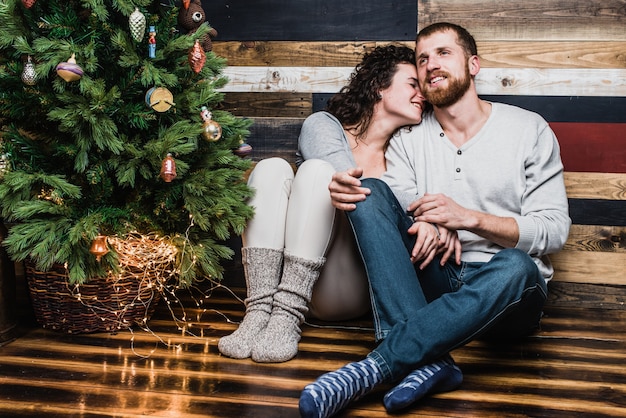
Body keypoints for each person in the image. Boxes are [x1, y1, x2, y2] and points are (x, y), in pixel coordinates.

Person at [299, 22, 571, 417]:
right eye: (423, 58)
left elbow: (554, 230)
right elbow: (403, 201)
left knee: (517, 265)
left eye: (444, 53)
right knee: (371, 192)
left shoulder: (528, 129)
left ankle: (378, 365)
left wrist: (468, 219)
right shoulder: (408, 138)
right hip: (439, 274)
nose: (431, 65)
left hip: (507, 293)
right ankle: (428, 362)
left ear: (473, 64)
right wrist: (426, 220)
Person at [218, 45, 444, 363]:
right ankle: (259, 311)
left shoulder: (408, 153)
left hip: (345, 288)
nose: (422, 94)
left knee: (321, 174)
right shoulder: (324, 126)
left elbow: (406, 207)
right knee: (273, 168)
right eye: (412, 84)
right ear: (380, 86)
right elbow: (351, 181)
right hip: (288, 277)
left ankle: (287, 314)